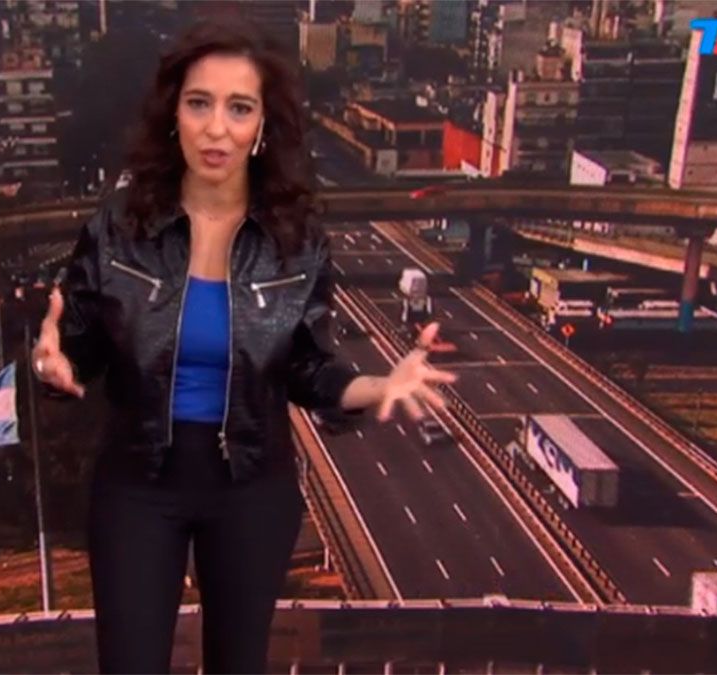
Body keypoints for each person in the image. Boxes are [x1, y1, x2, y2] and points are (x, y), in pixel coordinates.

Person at [30, 18, 457, 674]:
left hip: (252, 483)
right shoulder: (117, 229)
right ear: (173, 115)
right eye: (199, 103)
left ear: (262, 126)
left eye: (239, 108)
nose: (216, 128)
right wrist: (52, 363)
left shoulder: (296, 241)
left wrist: (379, 387)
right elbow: (79, 345)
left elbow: (308, 366)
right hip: (138, 482)